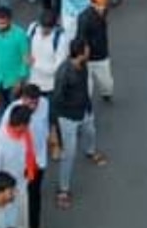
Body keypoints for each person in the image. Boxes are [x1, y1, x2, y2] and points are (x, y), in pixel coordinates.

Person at [52, 38, 106, 210]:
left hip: (85, 110)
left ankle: (90, 151)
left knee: (91, 131)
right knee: (69, 153)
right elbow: (57, 101)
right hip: (68, 118)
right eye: (87, 48)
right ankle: (63, 189)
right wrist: (55, 128)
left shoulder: (82, 65)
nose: (89, 50)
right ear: (81, 53)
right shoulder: (64, 73)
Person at [0, 6, 31, 112]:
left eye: (3, 23)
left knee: (15, 108)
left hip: (13, 80)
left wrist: (20, 80)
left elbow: (25, 59)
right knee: (1, 107)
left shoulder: (20, 34)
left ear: (10, 21)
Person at [76, 0, 113, 102]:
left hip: (102, 54)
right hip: (89, 57)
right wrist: (83, 56)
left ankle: (106, 93)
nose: (104, 7)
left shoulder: (103, 11)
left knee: (107, 83)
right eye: (101, 4)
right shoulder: (84, 18)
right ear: (94, 2)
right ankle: (87, 104)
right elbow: (81, 38)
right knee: (88, 87)